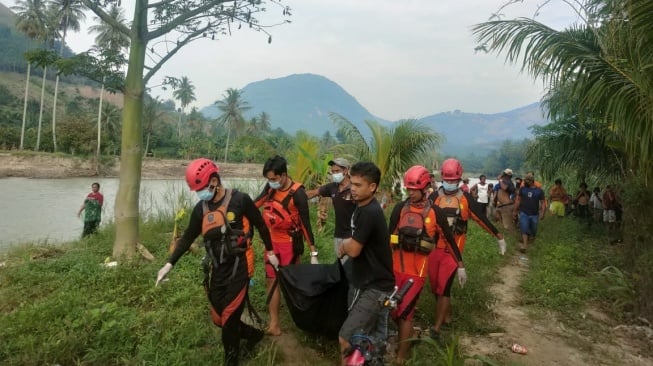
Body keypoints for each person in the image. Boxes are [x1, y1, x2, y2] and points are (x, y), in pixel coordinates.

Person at [155, 158, 275, 366]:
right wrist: (168, 264)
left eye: (201, 188)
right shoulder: (200, 210)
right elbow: (187, 239)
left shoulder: (240, 200)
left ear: (214, 180)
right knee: (219, 318)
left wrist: (270, 251)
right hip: (217, 270)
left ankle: (230, 361)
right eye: (197, 190)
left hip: (239, 268)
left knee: (228, 319)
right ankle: (254, 335)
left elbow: (261, 225)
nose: (200, 193)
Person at [388, 165, 464, 363]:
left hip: (417, 273)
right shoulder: (399, 208)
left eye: (414, 189)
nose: (411, 193)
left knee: (405, 313)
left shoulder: (435, 212)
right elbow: (388, 238)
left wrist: (460, 264)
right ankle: (410, 336)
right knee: (393, 311)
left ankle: (401, 357)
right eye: (408, 189)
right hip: (396, 269)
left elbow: (448, 238)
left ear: (425, 188)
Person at [428, 158, 505, 341]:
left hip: (453, 252)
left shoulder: (465, 199)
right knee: (435, 288)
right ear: (442, 177)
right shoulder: (433, 197)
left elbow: (481, 218)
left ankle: (436, 329)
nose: (450, 183)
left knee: (444, 288)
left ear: (459, 178)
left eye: (453, 180)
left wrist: (499, 236)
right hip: (433, 250)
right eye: (447, 179)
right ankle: (446, 316)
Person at [336, 162, 395, 365]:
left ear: (372, 187)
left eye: (358, 185)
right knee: (365, 339)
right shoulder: (361, 207)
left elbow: (353, 250)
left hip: (376, 286)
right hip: (365, 281)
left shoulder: (370, 212)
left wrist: (343, 244)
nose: (352, 188)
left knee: (347, 338)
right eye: (352, 183)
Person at [254, 155, 317, 336]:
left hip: (290, 245)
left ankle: (303, 317)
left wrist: (313, 251)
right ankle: (274, 324)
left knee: (291, 284)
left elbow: (305, 223)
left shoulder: (298, 194)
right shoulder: (270, 188)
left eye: (273, 179)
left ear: (283, 175)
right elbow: (257, 203)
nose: (271, 182)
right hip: (271, 243)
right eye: (268, 179)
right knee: (271, 281)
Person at [306, 157, 356, 266]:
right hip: (338, 234)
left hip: (353, 235)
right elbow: (313, 193)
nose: (334, 174)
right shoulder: (333, 187)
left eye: (337, 171)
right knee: (341, 265)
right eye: (332, 172)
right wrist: (295, 195)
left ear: (346, 171)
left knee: (352, 267)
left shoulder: (355, 188)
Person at [512, 173, 546, 253]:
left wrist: (543, 212)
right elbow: (518, 200)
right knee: (524, 228)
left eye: (526, 180)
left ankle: (531, 238)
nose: (524, 182)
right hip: (524, 212)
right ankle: (524, 246)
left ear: (530, 181)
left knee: (533, 230)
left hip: (534, 214)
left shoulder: (539, 191)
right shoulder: (523, 189)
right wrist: (515, 211)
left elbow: (542, 203)